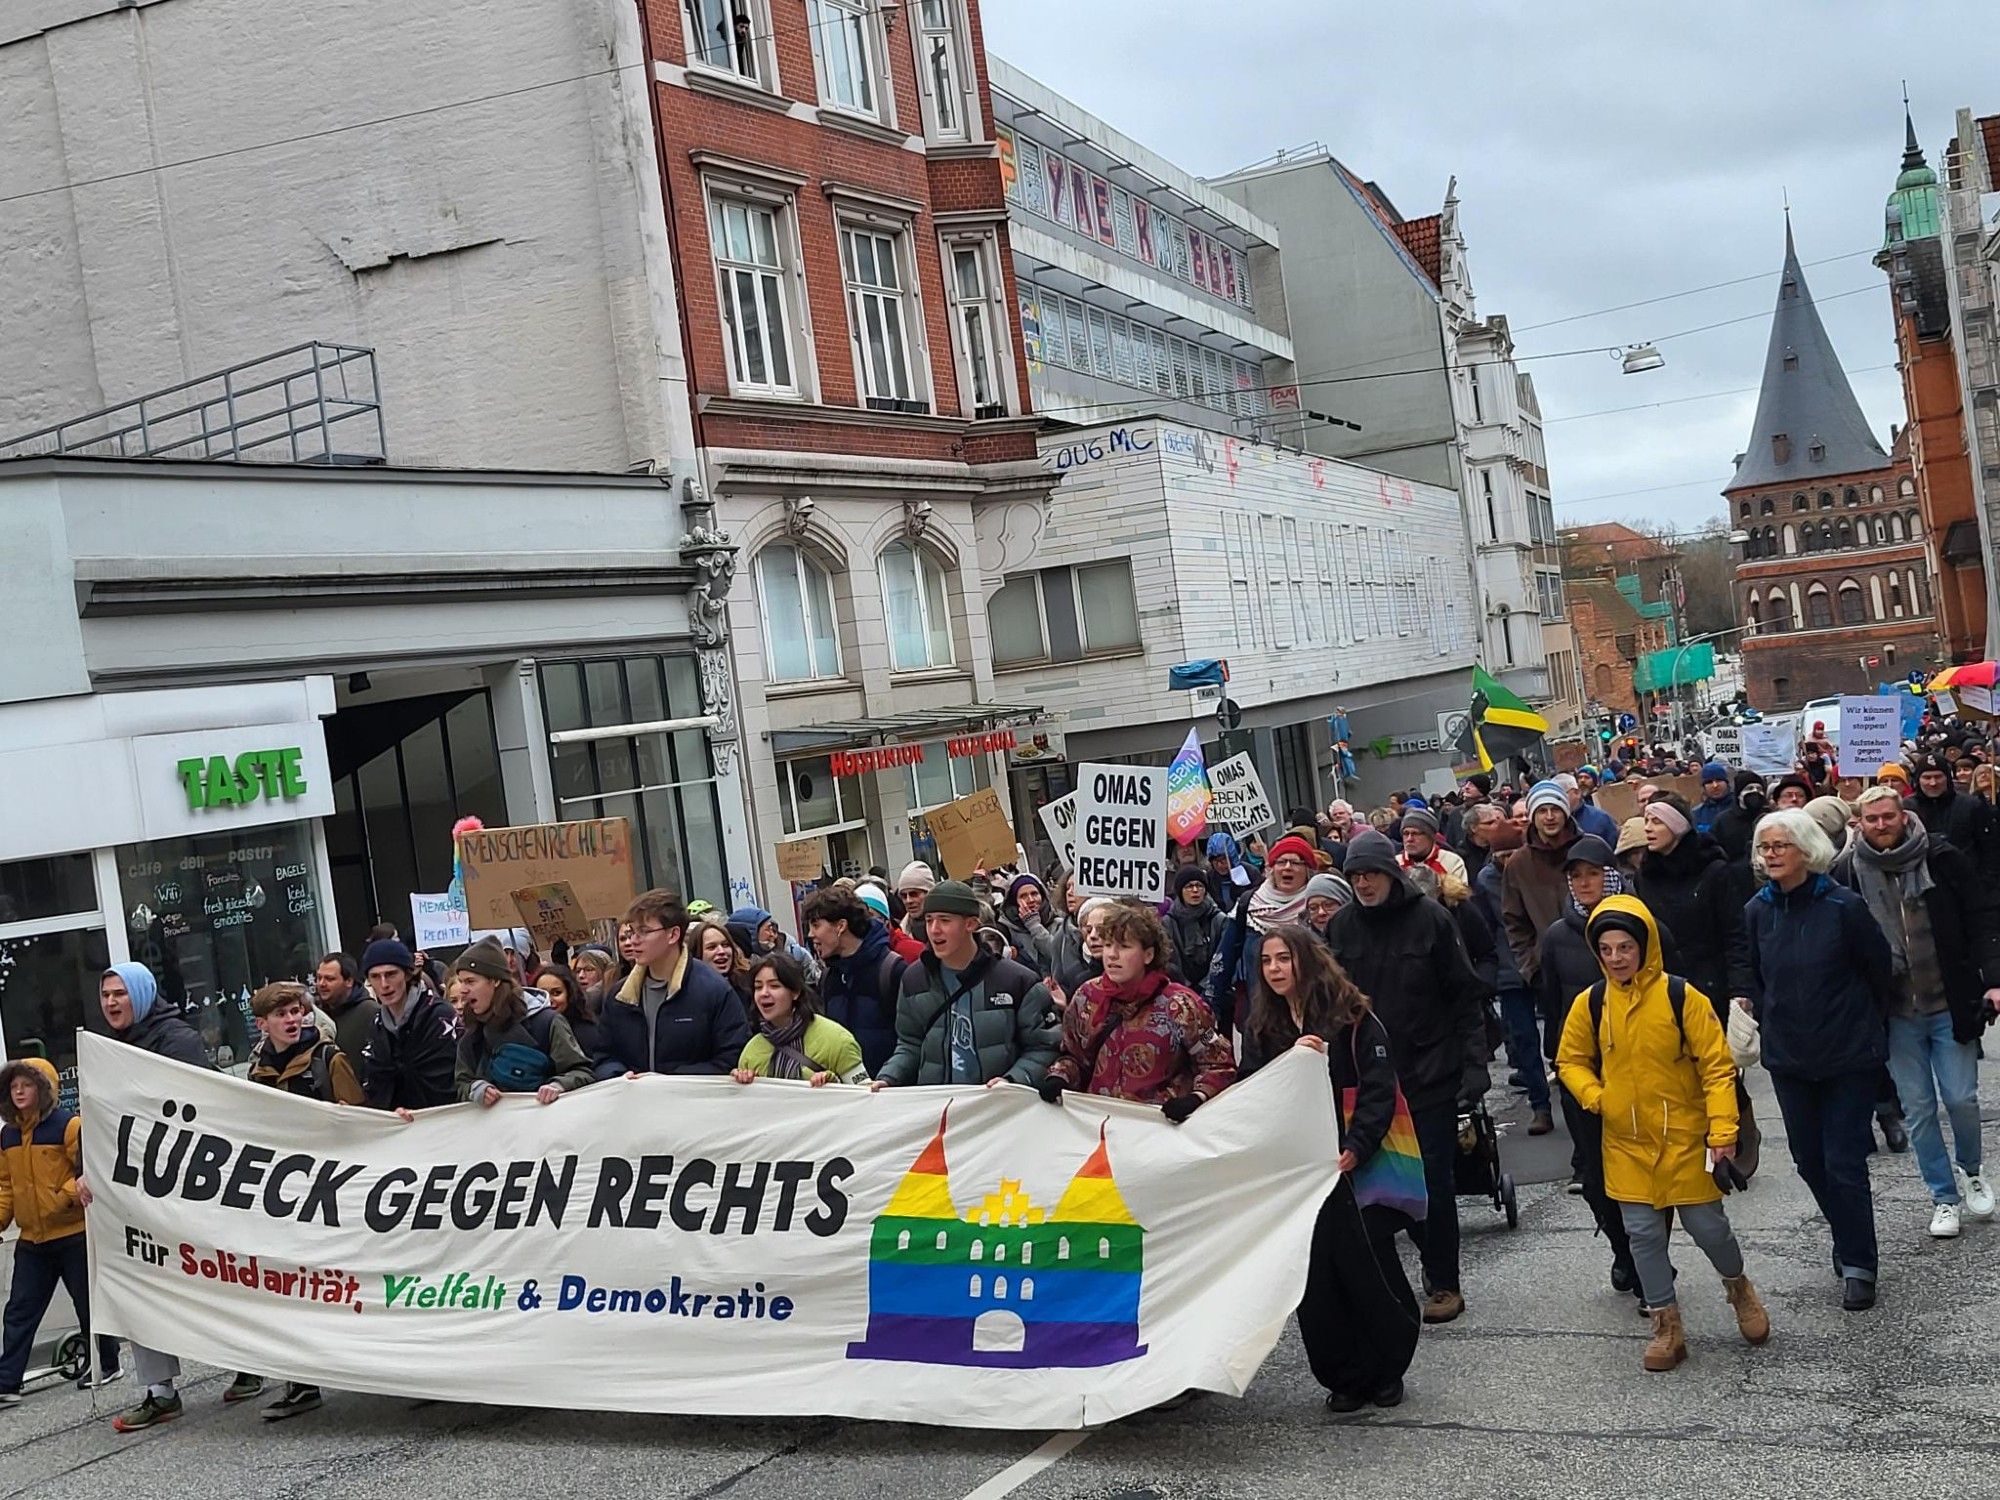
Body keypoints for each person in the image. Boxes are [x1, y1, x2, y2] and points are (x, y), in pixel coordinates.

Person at [1556, 897, 1770, 1371]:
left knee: (1708, 1227)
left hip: (1687, 1138)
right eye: (1606, 949)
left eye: (1625, 947)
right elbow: (1569, 1059)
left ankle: (1739, 1288)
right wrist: (1597, 1097)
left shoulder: (1682, 997)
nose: (1615, 958)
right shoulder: (1590, 1003)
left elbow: (1717, 1069)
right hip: (1626, 1142)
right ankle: (1666, 1326)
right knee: (1643, 1236)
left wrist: (1723, 1132)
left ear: (1645, 946)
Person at [1239, 925, 1422, 1413]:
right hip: (1299, 1170)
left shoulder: (1351, 1016)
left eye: (1283, 958)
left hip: (1353, 1165)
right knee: (1317, 1278)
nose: (1275, 969)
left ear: (1306, 960)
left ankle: (1387, 1367)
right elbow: (1255, 1090)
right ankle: (1341, 1373)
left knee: (1369, 1269)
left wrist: (1357, 1145)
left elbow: (1378, 1088)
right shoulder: (1262, 1025)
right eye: (1267, 961)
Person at [88, 964, 263, 1428]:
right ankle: (159, 1389)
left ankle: (252, 1360)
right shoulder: (106, 1051)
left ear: (142, 995)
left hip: (186, 1186)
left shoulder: (176, 1041)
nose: (111, 1003)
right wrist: (89, 1171)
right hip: (135, 1192)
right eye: (105, 995)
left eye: (120, 994)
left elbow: (195, 1112)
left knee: (212, 1275)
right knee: (139, 1279)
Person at [1324, 832, 1489, 1324]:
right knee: (1372, 1181)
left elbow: (1464, 995)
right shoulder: (1341, 927)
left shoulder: (1432, 920)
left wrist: (1475, 1062)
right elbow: (1328, 999)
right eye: (1354, 877)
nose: (1362, 884)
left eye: (1370, 874)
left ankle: (1443, 1282)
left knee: (1431, 1180)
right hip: (1367, 1078)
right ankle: (1384, 1278)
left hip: (1428, 1072)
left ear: (1390, 875)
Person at [1744, 808, 1897, 1311]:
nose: (1771, 856)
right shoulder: (1757, 911)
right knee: (1809, 1160)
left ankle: (1858, 1263)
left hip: (1848, 1053)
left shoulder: (1843, 906)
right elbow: (1759, 978)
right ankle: (1847, 1230)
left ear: (1806, 850)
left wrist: (1865, 1029)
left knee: (1843, 1161)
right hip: (1790, 1057)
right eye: (1765, 848)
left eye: (1780, 846)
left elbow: (1878, 972)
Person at [1831, 786, 2000, 1237]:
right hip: (1895, 1010)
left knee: (1961, 1098)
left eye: (1888, 816)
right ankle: (1943, 1197)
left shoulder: (1942, 858)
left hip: (1949, 1000)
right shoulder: (1849, 872)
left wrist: (1993, 978)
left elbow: (1981, 917)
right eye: (1872, 819)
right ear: (1859, 824)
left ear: (1903, 817)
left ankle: (1971, 1169)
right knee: (1919, 1108)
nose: (1881, 826)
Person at [241, 982, 365, 1420]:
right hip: (287, 1199)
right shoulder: (256, 1074)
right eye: (282, 1015)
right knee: (291, 1287)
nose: (292, 1020)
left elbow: (359, 1121)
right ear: (263, 1024)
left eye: (296, 1012)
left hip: (332, 1193)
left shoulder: (328, 1059)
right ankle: (301, 1381)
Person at [0, 1057, 122, 1406]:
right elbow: (5, 1186)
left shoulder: (68, 1126)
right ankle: (7, 1381)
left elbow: (91, 1169)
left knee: (88, 1303)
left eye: (27, 1084)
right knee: (19, 1310)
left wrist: (62, 1198)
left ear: (44, 1088)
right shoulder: (8, 1136)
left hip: (73, 1233)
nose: (20, 1091)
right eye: (14, 1085)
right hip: (32, 1239)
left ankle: (106, 1363)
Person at [1037, 902, 1234, 1118]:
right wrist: (1060, 1076)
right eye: (1108, 944)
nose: (1112, 955)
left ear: (1148, 955)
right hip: (1097, 1124)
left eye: (1123, 946)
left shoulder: (1182, 1005)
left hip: (1156, 1128)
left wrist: (1196, 1098)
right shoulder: (1087, 997)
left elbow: (1218, 1063)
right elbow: (1074, 1056)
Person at [874, 881, 1058, 1088]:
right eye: (929, 920)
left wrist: (1012, 1080)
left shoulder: (1017, 981)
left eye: (944, 921)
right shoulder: (914, 979)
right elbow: (910, 1045)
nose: (934, 930)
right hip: (939, 1109)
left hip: (997, 1109)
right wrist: (888, 1077)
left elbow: (1043, 1046)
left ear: (970, 924)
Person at [600, 890, 752, 1078]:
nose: (633, 941)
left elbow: (731, 1058)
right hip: (635, 1104)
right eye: (631, 932)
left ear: (673, 934)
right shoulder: (619, 996)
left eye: (644, 931)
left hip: (695, 1104)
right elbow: (602, 1056)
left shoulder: (714, 990)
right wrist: (620, 1076)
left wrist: (667, 1080)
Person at [1630, 796, 1751, 1019]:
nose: (1647, 828)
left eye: (1657, 822)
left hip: (1711, 986)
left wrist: (1740, 989)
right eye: (1646, 820)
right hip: (1661, 987)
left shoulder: (1713, 870)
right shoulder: (1645, 875)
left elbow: (1734, 934)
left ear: (1677, 826)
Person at [451, 939, 595, 1105]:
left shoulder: (546, 1023)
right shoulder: (470, 1032)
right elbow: (462, 1083)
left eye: (470, 981)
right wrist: (475, 1089)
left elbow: (582, 1072)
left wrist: (558, 1085)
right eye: (461, 982)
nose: (463, 990)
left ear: (495, 981)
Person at [1208, 833, 1320, 1041]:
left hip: (1311, 1020)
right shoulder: (1249, 905)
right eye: (1281, 862)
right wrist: (1209, 1006)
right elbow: (1223, 960)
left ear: (1307, 870)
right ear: (1271, 869)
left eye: (1295, 862)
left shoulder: (1318, 908)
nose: (1287, 867)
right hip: (1259, 1021)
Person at [803, 887, 908, 1075]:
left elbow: (911, 1042)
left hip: (890, 1093)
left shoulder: (892, 970)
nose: (811, 934)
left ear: (840, 926)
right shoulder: (829, 978)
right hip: (846, 1094)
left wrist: (891, 1077)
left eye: (816, 925)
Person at [732, 953, 869, 1084]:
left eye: (774, 986)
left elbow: (864, 1093)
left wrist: (835, 1086)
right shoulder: (751, 1052)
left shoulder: (837, 1040)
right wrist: (742, 1083)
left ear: (796, 992)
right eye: (758, 987)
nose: (764, 993)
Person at [1500, 780, 1582, 996]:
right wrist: (1532, 970)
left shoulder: (1588, 848)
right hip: (1549, 972)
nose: (1549, 816)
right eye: (1542, 810)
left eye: (1555, 809)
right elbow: (1514, 921)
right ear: (1533, 817)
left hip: (1596, 962)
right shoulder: (1519, 863)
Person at [358, 938, 459, 1112]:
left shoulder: (439, 1016)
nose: (384, 984)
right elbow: (376, 1081)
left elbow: (449, 1080)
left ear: (407, 974)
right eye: (375, 977)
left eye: (391, 974)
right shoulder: (377, 1025)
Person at [1910, 753, 1999, 877]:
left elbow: (1990, 849)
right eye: (1927, 777)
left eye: (1938, 776)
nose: (1933, 783)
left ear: (1947, 777)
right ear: (1918, 780)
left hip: (1968, 884)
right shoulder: (1908, 809)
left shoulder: (1971, 805)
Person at [311, 952, 377, 1068]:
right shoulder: (315, 1014)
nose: (321, 984)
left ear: (349, 981)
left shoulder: (370, 1013)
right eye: (319, 978)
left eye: (329, 979)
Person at [1167, 869, 1229, 992]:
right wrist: (1185, 986)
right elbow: (1170, 960)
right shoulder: (1168, 922)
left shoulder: (1219, 920)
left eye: (1199, 886)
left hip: (1213, 989)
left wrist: (1205, 986)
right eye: (1189, 886)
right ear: (1180, 891)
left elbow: (1224, 956)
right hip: (1178, 989)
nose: (1195, 890)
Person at [690, 917, 757, 1024]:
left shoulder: (747, 986)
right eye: (712, 947)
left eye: (725, 945)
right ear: (697, 953)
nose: (721, 951)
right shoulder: (688, 994)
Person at [533, 963, 602, 1063]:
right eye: (542, 994)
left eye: (556, 993)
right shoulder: (530, 1030)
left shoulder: (587, 1032)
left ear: (570, 994)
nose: (549, 1000)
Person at [995, 874, 1057, 976]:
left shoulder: (1058, 924)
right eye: (1023, 896)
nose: (1031, 900)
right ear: (1014, 902)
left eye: (1034, 894)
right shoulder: (1005, 930)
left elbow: (1057, 956)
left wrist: (1034, 925)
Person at [857, 883, 927, 963]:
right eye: (855, 915)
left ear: (885, 920)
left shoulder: (912, 952)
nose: (909, 900)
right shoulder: (846, 955)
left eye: (868, 915)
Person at [1398, 806, 1467, 884]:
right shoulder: (1395, 864)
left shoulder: (1452, 862)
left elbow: (1459, 894)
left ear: (1431, 837)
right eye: (1406, 833)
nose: (1409, 839)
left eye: (1416, 833)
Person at [1555, 772, 1619, 843]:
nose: (1557, 800)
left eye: (1562, 794)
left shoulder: (1601, 819)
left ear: (1577, 793)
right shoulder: (1550, 822)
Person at [895, 861, 938, 939]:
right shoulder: (900, 933)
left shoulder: (949, 928)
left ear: (929, 893)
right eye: (904, 896)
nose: (908, 901)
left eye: (914, 894)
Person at [1692, 762, 1735, 838]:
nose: (1715, 785)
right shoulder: (1696, 813)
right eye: (1709, 782)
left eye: (1719, 780)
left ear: (1727, 783)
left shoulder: (1739, 809)